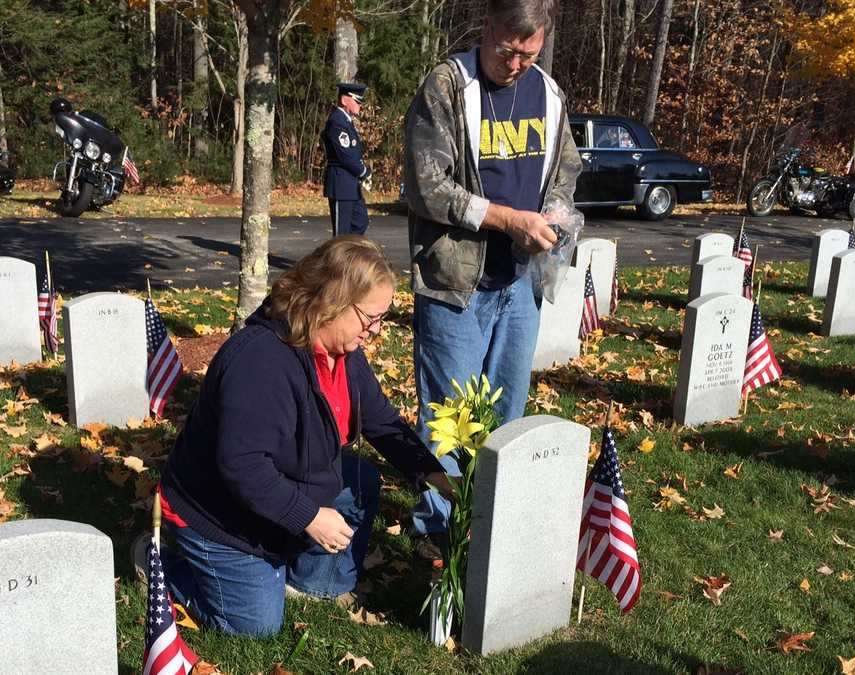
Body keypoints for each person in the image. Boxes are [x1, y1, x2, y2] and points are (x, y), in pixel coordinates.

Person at [156, 236, 452, 637]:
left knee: (359, 481)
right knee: (256, 626)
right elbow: (242, 467)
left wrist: (435, 477)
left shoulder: (344, 353)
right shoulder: (261, 360)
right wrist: (308, 517)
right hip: (216, 511)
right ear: (331, 300)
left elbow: (382, 420)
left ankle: (310, 583)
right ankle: (162, 567)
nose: (377, 330)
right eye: (371, 318)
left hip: (276, 482)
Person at [401, 0, 581, 537]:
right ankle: (438, 540)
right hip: (457, 284)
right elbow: (425, 187)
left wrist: (554, 212)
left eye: (529, 53)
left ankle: (490, 536)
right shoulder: (447, 87)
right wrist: (506, 220)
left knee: (506, 417)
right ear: (487, 29)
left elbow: (566, 168)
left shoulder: (547, 94)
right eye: (507, 50)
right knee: (450, 425)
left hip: (522, 281)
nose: (517, 63)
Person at [321, 82, 372, 236]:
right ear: (344, 100)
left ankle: (349, 259)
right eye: (357, 101)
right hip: (341, 183)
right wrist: (363, 172)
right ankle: (335, 261)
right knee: (341, 234)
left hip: (350, 185)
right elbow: (345, 155)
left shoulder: (345, 121)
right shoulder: (337, 121)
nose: (360, 105)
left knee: (360, 222)